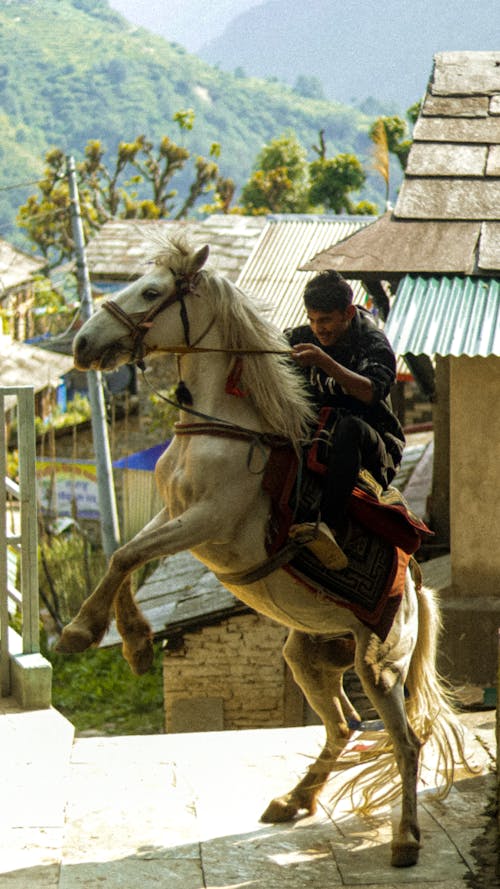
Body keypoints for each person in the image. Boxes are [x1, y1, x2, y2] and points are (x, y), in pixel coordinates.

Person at [286, 269, 405, 569]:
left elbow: (370, 393)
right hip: (321, 436)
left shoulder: (373, 342)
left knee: (350, 427)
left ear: (348, 312)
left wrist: (324, 362)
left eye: (325, 320)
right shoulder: (304, 337)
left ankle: (328, 524)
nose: (318, 329)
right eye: (312, 320)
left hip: (376, 449)